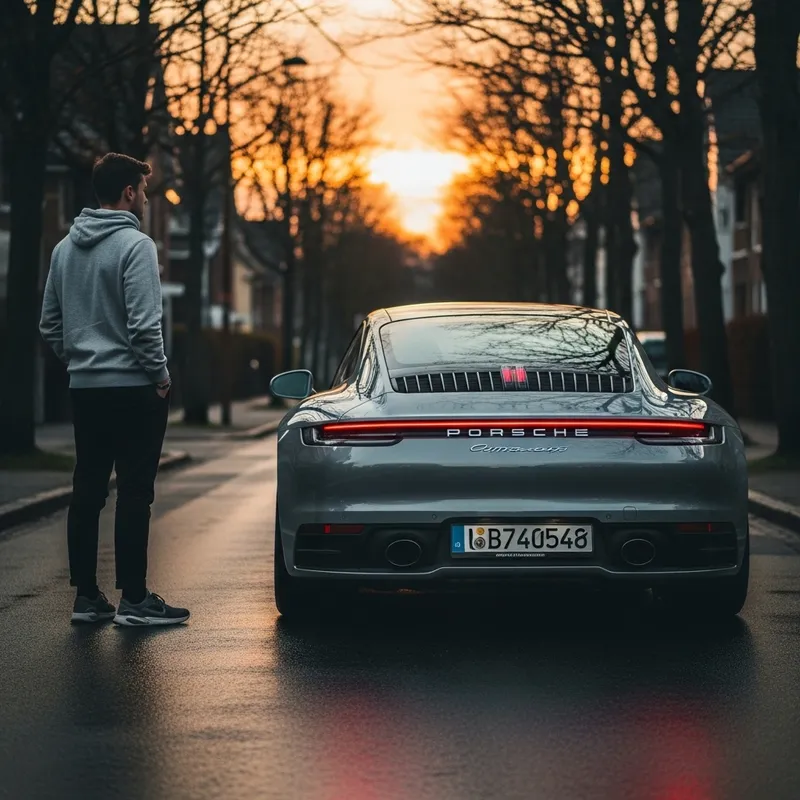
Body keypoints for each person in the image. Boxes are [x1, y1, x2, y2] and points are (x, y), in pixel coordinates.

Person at [39, 153, 190, 627]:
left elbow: (49, 323)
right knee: (134, 493)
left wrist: (82, 363)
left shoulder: (64, 250)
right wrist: (161, 376)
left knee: (86, 489)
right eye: (143, 191)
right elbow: (146, 326)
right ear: (128, 192)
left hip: (85, 390)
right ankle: (135, 600)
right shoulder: (136, 246)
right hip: (133, 389)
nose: (145, 198)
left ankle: (87, 597)